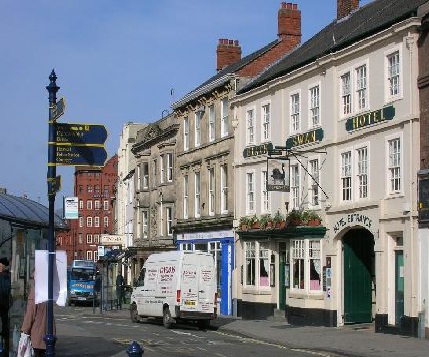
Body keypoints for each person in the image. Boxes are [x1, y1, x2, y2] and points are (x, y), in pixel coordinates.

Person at [21, 269, 48, 357]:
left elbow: (30, 314)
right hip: (46, 333)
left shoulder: (35, 292)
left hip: (37, 335)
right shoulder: (46, 290)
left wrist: (24, 330)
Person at [0, 257, 11, 354]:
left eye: (0, 266)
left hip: (3, 306)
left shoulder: (5, 276)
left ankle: (4, 350)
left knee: (4, 329)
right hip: (4, 305)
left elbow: (4, 291)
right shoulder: (5, 276)